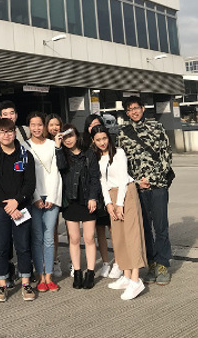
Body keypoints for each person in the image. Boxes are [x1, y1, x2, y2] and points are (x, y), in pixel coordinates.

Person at [117, 96, 173, 285]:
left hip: (157, 186)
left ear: (143, 108)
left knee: (161, 226)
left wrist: (155, 179)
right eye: (130, 109)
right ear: (127, 112)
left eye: (136, 108)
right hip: (137, 189)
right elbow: (122, 163)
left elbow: (166, 154)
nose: (134, 112)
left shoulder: (157, 128)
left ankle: (163, 264)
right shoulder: (123, 133)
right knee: (145, 229)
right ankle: (150, 263)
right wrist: (136, 181)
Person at [92, 125, 147, 300]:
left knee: (132, 235)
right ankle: (127, 274)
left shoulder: (119, 153)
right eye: (98, 139)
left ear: (109, 137)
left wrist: (119, 204)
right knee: (119, 237)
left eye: (104, 138)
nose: (102, 142)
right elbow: (101, 182)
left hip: (126, 194)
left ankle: (136, 279)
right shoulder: (98, 157)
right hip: (111, 195)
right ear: (93, 141)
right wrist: (108, 204)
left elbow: (123, 179)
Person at [0, 118, 36, 302]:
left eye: (9, 131)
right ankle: (2, 284)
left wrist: (17, 201)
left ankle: (26, 282)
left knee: (23, 245)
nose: (6, 135)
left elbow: (30, 184)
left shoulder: (25, 155)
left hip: (21, 206)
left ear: (15, 132)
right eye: (1, 132)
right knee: (1, 247)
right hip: (0, 209)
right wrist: (9, 205)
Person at [55, 124, 100, 289]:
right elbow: (60, 168)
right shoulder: (62, 154)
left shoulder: (89, 154)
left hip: (87, 200)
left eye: (70, 136)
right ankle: (78, 272)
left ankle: (90, 272)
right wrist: (58, 147)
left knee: (88, 238)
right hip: (70, 201)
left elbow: (95, 177)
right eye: (65, 137)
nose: (68, 140)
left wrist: (93, 197)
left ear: (77, 136)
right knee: (73, 239)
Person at [24, 112, 62, 293]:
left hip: (52, 196)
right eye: (33, 125)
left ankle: (49, 276)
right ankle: (39, 276)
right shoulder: (25, 146)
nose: (37, 128)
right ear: (28, 127)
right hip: (35, 198)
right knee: (38, 238)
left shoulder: (52, 145)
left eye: (40, 124)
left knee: (49, 238)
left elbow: (56, 172)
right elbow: (27, 176)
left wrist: (52, 197)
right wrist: (36, 197)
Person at [83, 114, 120, 279]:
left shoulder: (111, 149)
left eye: (97, 124)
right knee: (99, 232)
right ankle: (106, 262)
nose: (94, 127)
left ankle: (119, 262)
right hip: (95, 196)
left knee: (114, 230)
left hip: (110, 194)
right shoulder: (87, 149)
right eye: (91, 125)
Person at [45, 113, 64, 278]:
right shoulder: (44, 143)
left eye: (56, 124)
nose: (54, 128)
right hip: (48, 189)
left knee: (54, 229)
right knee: (49, 229)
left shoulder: (65, 140)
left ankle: (57, 260)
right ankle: (51, 260)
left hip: (63, 189)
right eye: (51, 125)